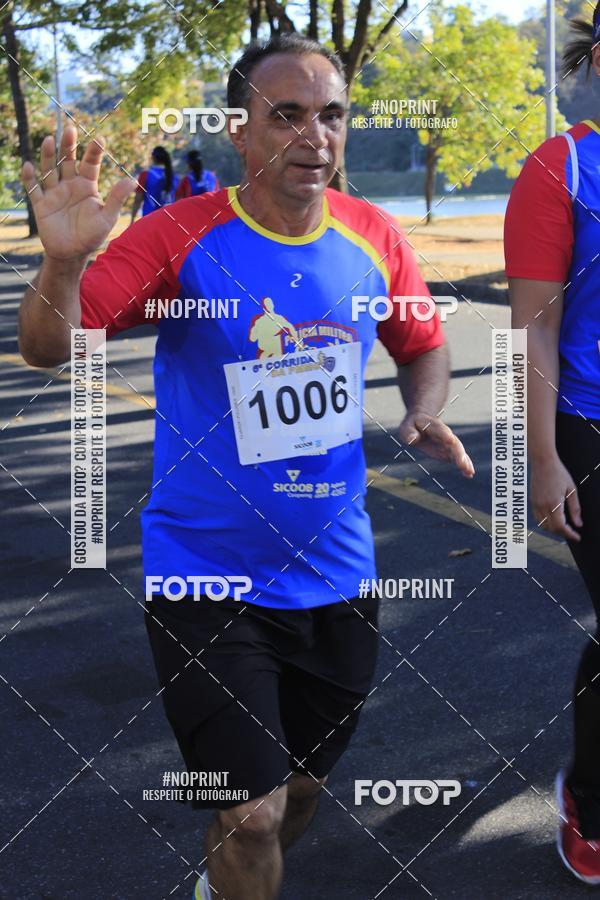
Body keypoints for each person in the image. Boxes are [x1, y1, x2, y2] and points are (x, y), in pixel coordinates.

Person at [18, 34, 474, 900]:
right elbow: (50, 346)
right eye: (288, 116)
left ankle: (224, 877)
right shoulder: (180, 237)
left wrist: (424, 405)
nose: (315, 136)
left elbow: (425, 342)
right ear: (241, 130)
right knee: (252, 809)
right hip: (206, 576)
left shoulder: (374, 235)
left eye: (331, 114)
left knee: (298, 792)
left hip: (338, 575)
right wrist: (64, 260)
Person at [505, 3, 600, 886]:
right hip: (590, 427)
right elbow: (533, 326)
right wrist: (542, 457)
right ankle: (591, 800)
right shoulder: (560, 164)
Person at [130, 145, 178, 221]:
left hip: (149, 219)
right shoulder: (174, 177)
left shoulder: (146, 174)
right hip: (169, 220)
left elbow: (138, 199)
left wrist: (132, 219)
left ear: (153, 158)